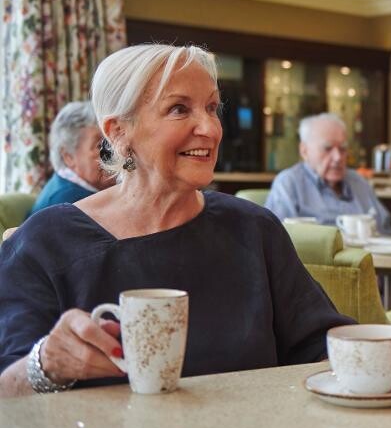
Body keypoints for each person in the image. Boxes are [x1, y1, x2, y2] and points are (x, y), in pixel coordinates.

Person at [0, 44, 353, 396]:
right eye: (179, 109)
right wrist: (45, 363)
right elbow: (6, 388)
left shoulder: (254, 229)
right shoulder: (46, 242)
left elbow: (322, 347)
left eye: (212, 108)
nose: (210, 129)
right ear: (119, 132)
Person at [265, 113, 391, 325]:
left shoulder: (359, 183)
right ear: (304, 151)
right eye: (328, 149)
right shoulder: (288, 184)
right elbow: (283, 247)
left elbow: (386, 232)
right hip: (323, 291)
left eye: (343, 149)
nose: (338, 157)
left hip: (383, 282)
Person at [29, 101, 115, 216]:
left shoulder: (67, 187)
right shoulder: (69, 203)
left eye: (111, 142)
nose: (113, 151)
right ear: (68, 156)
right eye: (100, 145)